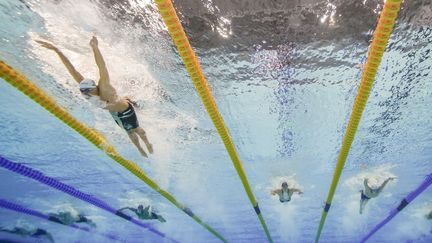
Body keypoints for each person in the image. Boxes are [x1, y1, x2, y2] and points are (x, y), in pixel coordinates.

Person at [36, 37, 153, 157]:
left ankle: (148, 143)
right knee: (129, 132)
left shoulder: (104, 86)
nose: (85, 93)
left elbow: (102, 66)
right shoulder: (87, 88)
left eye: (87, 91)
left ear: (93, 88)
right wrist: (57, 51)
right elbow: (73, 71)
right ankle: (139, 148)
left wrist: (95, 47)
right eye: (83, 91)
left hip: (125, 110)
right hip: (115, 113)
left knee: (138, 130)